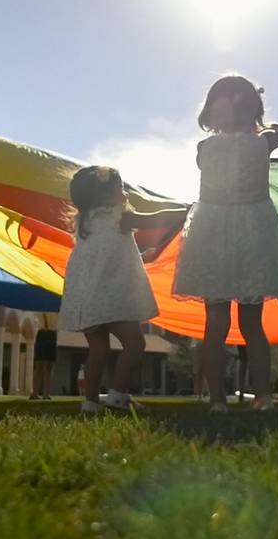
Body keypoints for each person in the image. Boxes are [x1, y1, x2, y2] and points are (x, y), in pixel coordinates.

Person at [173, 74, 278, 413]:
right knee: (231, 320)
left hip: (233, 229)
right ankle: (237, 398)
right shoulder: (242, 143)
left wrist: (251, 121)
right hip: (231, 229)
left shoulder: (244, 142)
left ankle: (243, 398)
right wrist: (253, 122)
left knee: (235, 321)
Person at [58, 166, 187, 413]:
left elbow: (108, 253)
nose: (125, 191)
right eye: (120, 187)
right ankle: (118, 395)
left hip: (87, 297)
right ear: (106, 197)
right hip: (111, 297)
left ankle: (90, 403)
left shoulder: (83, 223)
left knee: (97, 351)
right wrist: (186, 210)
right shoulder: (121, 217)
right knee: (135, 344)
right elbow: (156, 219)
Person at [30, 328, 57, 400]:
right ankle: (46, 394)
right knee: (48, 366)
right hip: (50, 334)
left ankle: (35, 393)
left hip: (40, 334)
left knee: (39, 366)